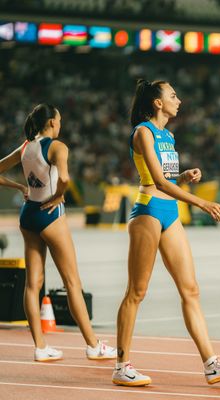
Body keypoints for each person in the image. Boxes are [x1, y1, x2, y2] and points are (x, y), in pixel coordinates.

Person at [113, 79, 220, 387]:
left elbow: (169, 178)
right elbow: (157, 182)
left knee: (191, 290)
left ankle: (212, 364)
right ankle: (121, 366)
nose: (179, 100)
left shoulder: (168, 135)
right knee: (137, 292)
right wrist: (201, 202)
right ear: (157, 102)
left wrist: (184, 177)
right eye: (172, 95)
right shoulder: (143, 132)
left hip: (170, 213)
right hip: (147, 212)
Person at [0, 103, 117, 362]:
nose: (61, 124)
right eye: (60, 120)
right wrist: (60, 196)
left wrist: (19, 186)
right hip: (51, 214)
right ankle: (93, 346)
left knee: (33, 285)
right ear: (52, 122)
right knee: (72, 282)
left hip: (28, 214)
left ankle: (41, 348)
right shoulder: (58, 147)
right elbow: (64, 178)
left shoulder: (25, 147)